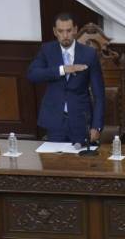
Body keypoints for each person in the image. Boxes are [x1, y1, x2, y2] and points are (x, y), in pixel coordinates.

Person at [26, 13, 106, 145]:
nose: (65, 35)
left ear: (75, 29)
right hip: (55, 121)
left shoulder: (89, 54)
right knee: (55, 158)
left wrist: (96, 126)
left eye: (68, 30)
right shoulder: (47, 50)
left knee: (80, 158)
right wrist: (63, 69)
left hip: (81, 121)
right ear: (55, 31)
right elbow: (32, 74)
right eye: (60, 31)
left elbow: (99, 95)